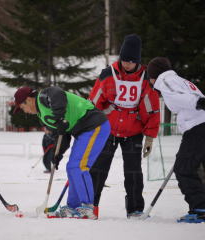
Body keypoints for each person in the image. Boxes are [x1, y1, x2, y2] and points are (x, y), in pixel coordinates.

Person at [88, 34, 160, 218]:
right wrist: (90, 127)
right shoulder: (107, 75)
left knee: (134, 172)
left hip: (133, 132)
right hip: (108, 130)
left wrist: (150, 136)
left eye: (131, 61)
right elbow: (93, 103)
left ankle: (135, 208)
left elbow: (151, 109)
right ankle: (90, 206)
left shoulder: (145, 79)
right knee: (97, 169)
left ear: (138, 61)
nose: (127, 64)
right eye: (124, 60)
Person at [13, 86, 110, 219]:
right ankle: (73, 207)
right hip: (81, 131)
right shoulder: (42, 116)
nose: (25, 111)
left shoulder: (43, 97)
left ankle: (88, 207)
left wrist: (60, 117)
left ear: (28, 100)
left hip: (94, 125)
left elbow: (57, 93)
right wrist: (57, 154)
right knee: (71, 167)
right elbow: (63, 134)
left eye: (23, 107)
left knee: (78, 166)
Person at [147, 57, 205, 223]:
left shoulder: (166, 80)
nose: (150, 81)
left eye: (150, 76)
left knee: (184, 168)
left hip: (197, 126)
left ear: (154, 75)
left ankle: (200, 209)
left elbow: (183, 98)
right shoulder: (180, 80)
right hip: (199, 124)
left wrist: (199, 102)